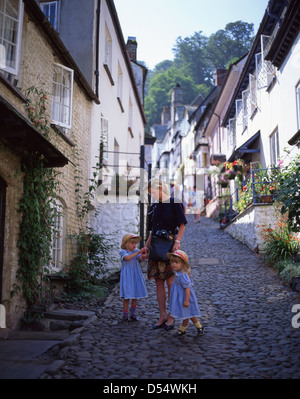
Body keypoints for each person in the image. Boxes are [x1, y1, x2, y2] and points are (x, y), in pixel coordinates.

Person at [143, 178, 187, 330]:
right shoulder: (154, 206)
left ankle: (172, 316)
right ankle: (162, 316)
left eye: (153, 192)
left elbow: (182, 224)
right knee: (158, 283)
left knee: (171, 283)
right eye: (150, 193)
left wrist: (178, 242)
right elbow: (152, 231)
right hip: (155, 247)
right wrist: (146, 246)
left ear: (161, 188)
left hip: (169, 247)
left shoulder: (175, 202)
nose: (152, 195)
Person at [167, 250, 204, 337]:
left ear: (183, 264)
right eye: (172, 262)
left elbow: (187, 288)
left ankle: (182, 330)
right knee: (190, 314)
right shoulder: (178, 273)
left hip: (185, 298)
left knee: (186, 315)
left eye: (176, 263)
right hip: (181, 298)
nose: (173, 264)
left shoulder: (183, 275)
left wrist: (186, 300)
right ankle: (199, 327)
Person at [119, 233, 148, 322]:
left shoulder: (136, 251)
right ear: (126, 244)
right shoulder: (123, 252)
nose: (134, 245)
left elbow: (141, 259)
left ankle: (133, 314)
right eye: (132, 243)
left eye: (135, 243)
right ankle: (125, 315)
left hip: (135, 275)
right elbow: (127, 258)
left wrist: (144, 255)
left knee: (135, 295)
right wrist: (138, 252)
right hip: (127, 276)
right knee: (127, 296)